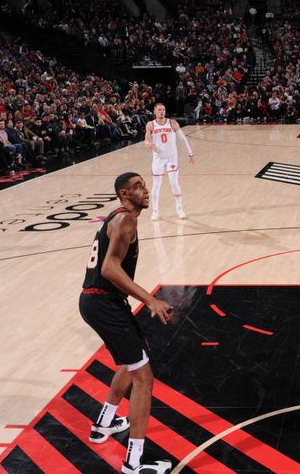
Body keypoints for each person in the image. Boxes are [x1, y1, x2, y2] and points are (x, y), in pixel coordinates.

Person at [79, 172, 173, 474]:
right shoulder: (126, 221)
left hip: (99, 302)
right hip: (103, 302)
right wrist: (150, 299)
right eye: (137, 187)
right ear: (123, 194)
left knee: (131, 362)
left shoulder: (119, 217)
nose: (145, 190)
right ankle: (134, 463)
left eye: (144, 185)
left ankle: (103, 424)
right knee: (144, 378)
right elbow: (109, 269)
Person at [144, 102, 195, 220]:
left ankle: (179, 207)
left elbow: (182, 139)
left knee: (174, 182)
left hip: (172, 157)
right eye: (159, 110)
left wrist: (190, 154)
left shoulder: (172, 123)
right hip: (158, 158)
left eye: (163, 109)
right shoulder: (150, 125)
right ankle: (155, 211)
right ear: (155, 111)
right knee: (156, 184)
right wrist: (149, 144)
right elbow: (146, 140)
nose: (162, 112)